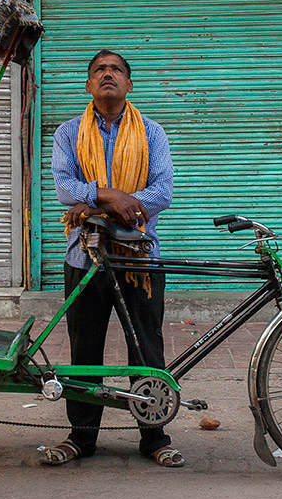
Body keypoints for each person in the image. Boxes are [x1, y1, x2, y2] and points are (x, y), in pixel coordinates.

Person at [42, 49, 183, 468]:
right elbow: (65, 189)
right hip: (85, 259)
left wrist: (93, 208)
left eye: (116, 70)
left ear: (129, 84)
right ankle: (82, 437)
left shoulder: (153, 133)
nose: (108, 74)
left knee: (146, 347)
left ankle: (154, 435)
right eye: (99, 70)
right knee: (86, 351)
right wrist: (112, 196)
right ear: (88, 84)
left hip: (139, 258)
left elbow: (162, 193)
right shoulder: (67, 134)